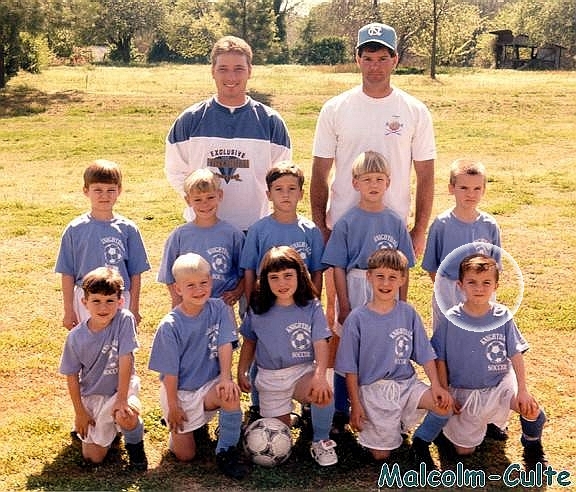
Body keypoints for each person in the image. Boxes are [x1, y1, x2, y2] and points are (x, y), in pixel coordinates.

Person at [311, 22, 436, 256]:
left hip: (393, 225)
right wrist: (320, 227)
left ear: (395, 60)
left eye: (382, 58)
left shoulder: (415, 110)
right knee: (342, 293)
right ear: (357, 59)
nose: (374, 67)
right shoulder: (335, 108)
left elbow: (426, 175)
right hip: (342, 224)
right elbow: (320, 173)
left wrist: (419, 230)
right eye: (368, 58)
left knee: (389, 292)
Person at [321, 151, 416, 433]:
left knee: (382, 344)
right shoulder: (348, 221)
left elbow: (405, 266)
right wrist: (344, 303)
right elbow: (337, 265)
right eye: (366, 179)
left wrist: (403, 300)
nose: (373, 184)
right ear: (355, 183)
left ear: (388, 182)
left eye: (379, 179)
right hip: (356, 284)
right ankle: (340, 408)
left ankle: (385, 406)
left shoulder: (395, 221)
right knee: (347, 346)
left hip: (387, 288)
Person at [334, 249, 453, 469]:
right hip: (374, 391)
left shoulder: (407, 313)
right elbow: (349, 368)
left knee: (443, 405)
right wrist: (356, 404)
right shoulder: (357, 319)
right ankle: (384, 430)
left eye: (392, 277)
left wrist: (436, 385)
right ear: (369, 277)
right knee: (381, 456)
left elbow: (425, 354)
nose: (386, 283)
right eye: (380, 276)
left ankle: (420, 442)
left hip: (406, 385)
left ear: (402, 279)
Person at [431, 254, 547, 471]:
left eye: (486, 283)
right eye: (472, 282)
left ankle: (532, 443)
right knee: (463, 451)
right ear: (460, 285)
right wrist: (445, 390)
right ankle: (476, 427)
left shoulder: (502, 315)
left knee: (528, 407)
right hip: (464, 391)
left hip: (499, 385)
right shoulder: (451, 318)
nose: (479, 288)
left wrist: (522, 390)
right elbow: (440, 358)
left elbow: (516, 355)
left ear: (496, 286)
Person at [165, 35, 292, 232]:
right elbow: (175, 171)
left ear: (250, 71)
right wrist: (201, 203)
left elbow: (281, 179)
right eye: (223, 69)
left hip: (255, 229)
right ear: (212, 72)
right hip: (203, 228)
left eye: (238, 69)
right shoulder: (190, 120)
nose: (231, 77)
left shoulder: (271, 122)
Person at [148, 253, 248, 480]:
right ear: (177, 289)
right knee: (186, 456)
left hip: (209, 384)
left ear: (211, 282)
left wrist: (225, 377)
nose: (199, 289)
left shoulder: (219, 309)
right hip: (180, 392)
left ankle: (227, 452)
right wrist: (173, 406)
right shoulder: (170, 326)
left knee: (230, 393)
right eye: (190, 285)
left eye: (204, 283)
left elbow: (224, 344)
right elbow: (169, 373)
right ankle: (180, 434)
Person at [239, 162, 325, 424]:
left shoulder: (310, 230)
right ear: (268, 194)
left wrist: (314, 298)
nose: (285, 194)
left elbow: (317, 270)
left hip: (299, 303)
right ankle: (258, 402)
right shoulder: (259, 230)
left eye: (291, 188)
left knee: (300, 348)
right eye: (278, 189)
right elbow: (250, 269)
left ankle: (309, 401)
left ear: (301, 193)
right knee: (263, 345)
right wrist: (250, 300)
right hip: (266, 303)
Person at [237, 246, 338, 467]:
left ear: (300, 275)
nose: (282, 283)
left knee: (323, 390)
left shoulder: (311, 306)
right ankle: (285, 418)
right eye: (274, 278)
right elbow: (249, 342)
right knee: (279, 433)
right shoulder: (257, 308)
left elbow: (321, 343)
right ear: (265, 280)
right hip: (270, 378)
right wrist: (242, 370)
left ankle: (321, 440)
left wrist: (320, 375)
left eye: (288, 276)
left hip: (302, 372)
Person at [59, 267, 148, 471]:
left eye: (110, 301)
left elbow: (127, 359)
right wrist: (79, 412)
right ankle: (110, 429)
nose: (103, 307)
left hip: (120, 389)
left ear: (120, 301)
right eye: (96, 301)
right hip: (93, 395)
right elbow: (71, 376)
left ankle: (136, 452)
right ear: (84, 302)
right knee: (93, 458)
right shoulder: (75, 337)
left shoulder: (125, 320)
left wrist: (123, 398)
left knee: (126, 414)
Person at [55, 159, 150, 329]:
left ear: (119, 191)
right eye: (98, 190)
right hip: (87, 299)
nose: (104, 195)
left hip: (119, 298)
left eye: (110, 190)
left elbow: (135, 273)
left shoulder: (128, 229)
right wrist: (69, 310)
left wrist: (134, 307)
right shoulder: (75, 229)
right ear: (86, 191)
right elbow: (67, 273)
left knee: (119, 346)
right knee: (89, 346)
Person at [422, 159, 501, 331]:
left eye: (476, 189)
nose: (470, 194)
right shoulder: (441, 224)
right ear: (452, 188)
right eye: (464, 188)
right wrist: (446, 289)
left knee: (478, 331)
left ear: (484, 190)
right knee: (446, 333)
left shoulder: (489, 225)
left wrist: (480, 288)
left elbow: (495, 265)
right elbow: (431, 265)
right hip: (449, 288)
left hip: (481, 290)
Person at [157, 169, 245, 308]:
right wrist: (177, 302)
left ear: (220, 195)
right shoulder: (179, 235)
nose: (205, 204)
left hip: (221, 305)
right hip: (189, 305)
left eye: (210, 197)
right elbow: (168, 274)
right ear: (188, 200)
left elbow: (245, 270)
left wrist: (237, 292)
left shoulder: (233, 234)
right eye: (198, 199)